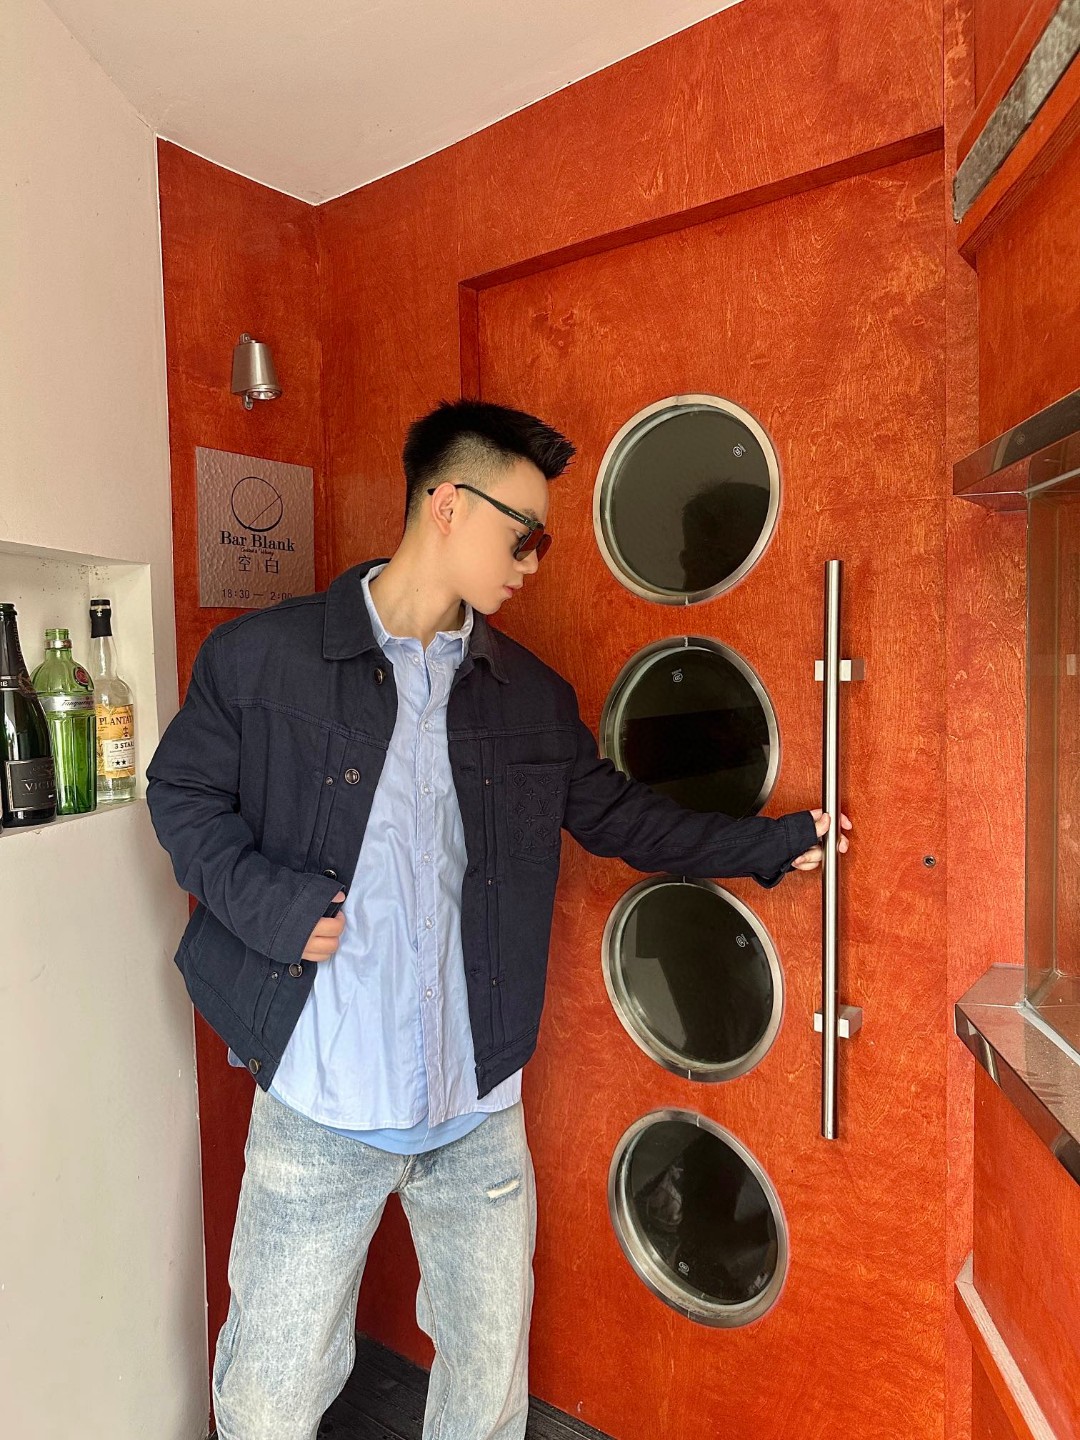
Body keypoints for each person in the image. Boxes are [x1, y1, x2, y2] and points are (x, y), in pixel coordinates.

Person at [146, 398, 850, 1440]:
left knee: (485, 1390)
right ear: (447, 504)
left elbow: (619, 818)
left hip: (476, 1110)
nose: (533, 562)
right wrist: (271, 906)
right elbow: (181, 796)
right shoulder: (262, 661)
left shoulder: (526, 695)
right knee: (267, 1395)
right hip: (319, 1103)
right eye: (525, 534)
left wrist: (769, 843)